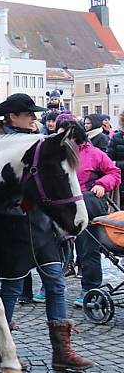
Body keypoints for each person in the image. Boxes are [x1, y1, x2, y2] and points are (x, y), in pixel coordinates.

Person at [0, 94, 92, 371]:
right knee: (12, 287)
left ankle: (62, 352)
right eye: (28, 114)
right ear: (11, 116)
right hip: (12, 225)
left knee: (56, 283)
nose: (34, 118)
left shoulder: (41, 142)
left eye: (34, 114)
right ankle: (1, 348)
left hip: (41, 225)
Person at [58, 119, 120, 306]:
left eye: (63, 135)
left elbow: (114, 173)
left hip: (86, 203)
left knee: (87, 248)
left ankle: (89, 288)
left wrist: (102, 184)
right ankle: (50, 287)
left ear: (74, 136)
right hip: (60, 205)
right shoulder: (56, 154)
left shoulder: (94, 154)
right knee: (51, 248)